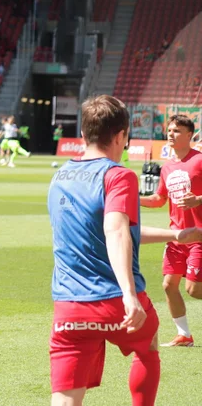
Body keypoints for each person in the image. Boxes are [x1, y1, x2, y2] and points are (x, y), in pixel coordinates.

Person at [47, 95, 202, 406]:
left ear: (83, 133)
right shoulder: (119, 174)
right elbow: (116, 231)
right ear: (120, 136)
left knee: (65, 397)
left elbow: (114, 231)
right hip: (115, 299)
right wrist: (129, 293)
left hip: (68, 304)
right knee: (147, 348)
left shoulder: (60, 175)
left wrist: (175, 234)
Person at [140, 115, 202, 347]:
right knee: (169, 285)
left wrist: (198, 200)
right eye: (169, 130)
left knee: (194, 290)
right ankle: (184, 335)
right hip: (176, 235)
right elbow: (159, 199)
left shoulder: (199, 160)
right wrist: (133, 200)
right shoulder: (167, 167)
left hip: (198, 235)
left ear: (189, 135)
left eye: (177, 130)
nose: (171, 134)